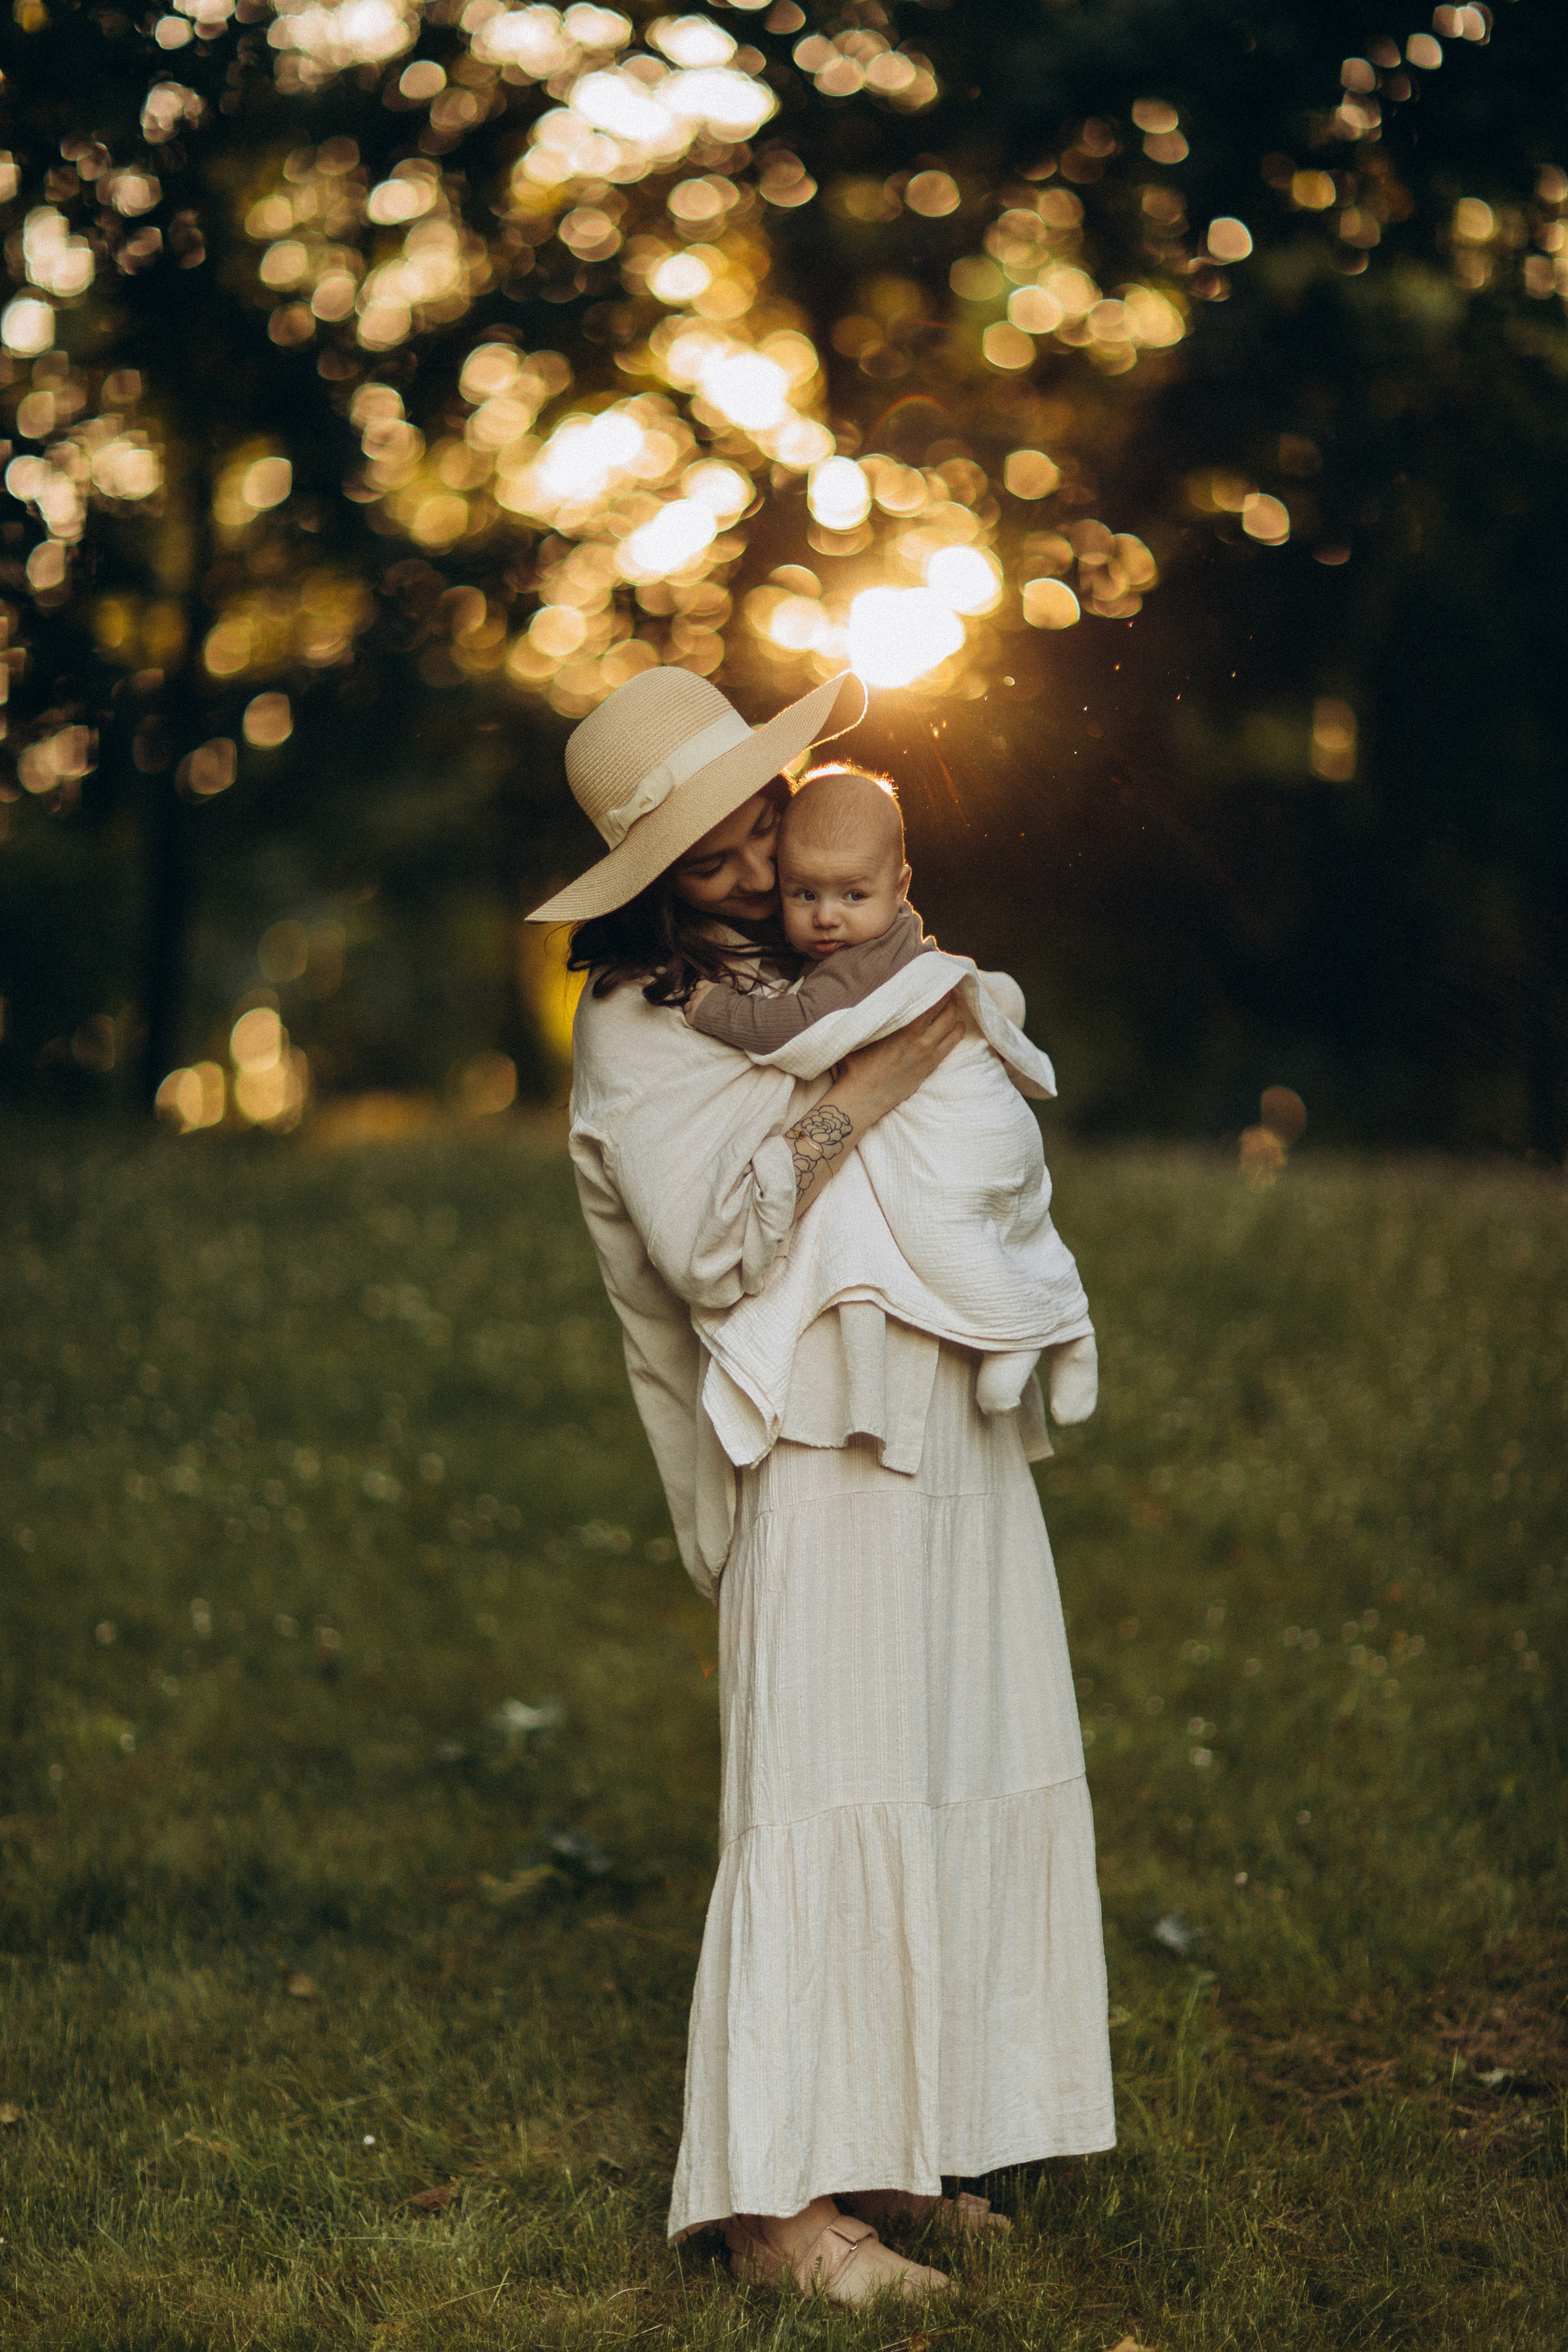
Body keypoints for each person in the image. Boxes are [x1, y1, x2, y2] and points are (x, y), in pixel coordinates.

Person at [529, 665, 1115, 2307]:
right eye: (708, 853)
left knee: (946, 1752)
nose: (750, 856)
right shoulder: (642, 1026)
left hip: (936, 1396)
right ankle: (774, 2211)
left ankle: (886, 2149)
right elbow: (717, 1247)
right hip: (805, 1431)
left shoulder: (826, 949)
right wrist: (882, 1070)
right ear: (651, 882)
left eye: (759, 816)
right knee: (822, 1788)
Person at [681, 760, 1099, 1435]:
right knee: (1017, 1224)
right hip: (997, 1122)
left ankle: (1024, 1331)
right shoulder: (896, 933)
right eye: (803, 895)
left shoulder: (852, 968)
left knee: (943, 1232)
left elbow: (786, 1029)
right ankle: (1068, 1330)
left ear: (900, 885)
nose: (826, 919)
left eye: (851, 896)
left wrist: (708, 1009)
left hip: (958, 1121)